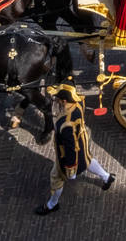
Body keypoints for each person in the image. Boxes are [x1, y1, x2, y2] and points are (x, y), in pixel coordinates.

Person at [37, 83, 113, 213]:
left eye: (58, 99)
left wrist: (71, 168)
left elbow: (70, 148)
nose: (56, 101)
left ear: (64, 101)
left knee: (56, 178)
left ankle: (52, 205)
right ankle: (107, 177)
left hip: (67, 153)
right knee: (87, 159)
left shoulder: (66, 123)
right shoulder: (79, 103)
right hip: (82, 141)